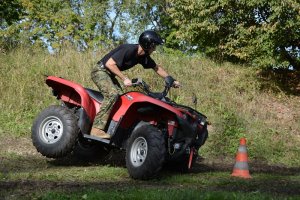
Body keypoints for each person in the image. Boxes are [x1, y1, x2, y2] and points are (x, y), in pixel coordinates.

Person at [90, 30, 180, 138]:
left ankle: (110, 126)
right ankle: (96, 130)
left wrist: (170, 79)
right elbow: (110, 64)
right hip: (100, 71)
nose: (155, 48)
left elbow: (156, 68)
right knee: (112, 94)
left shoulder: (143, 56)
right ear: (147, 44)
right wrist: (124, 78)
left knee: (121, 98)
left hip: (109, 74)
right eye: (154, 45)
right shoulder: (129, 49)